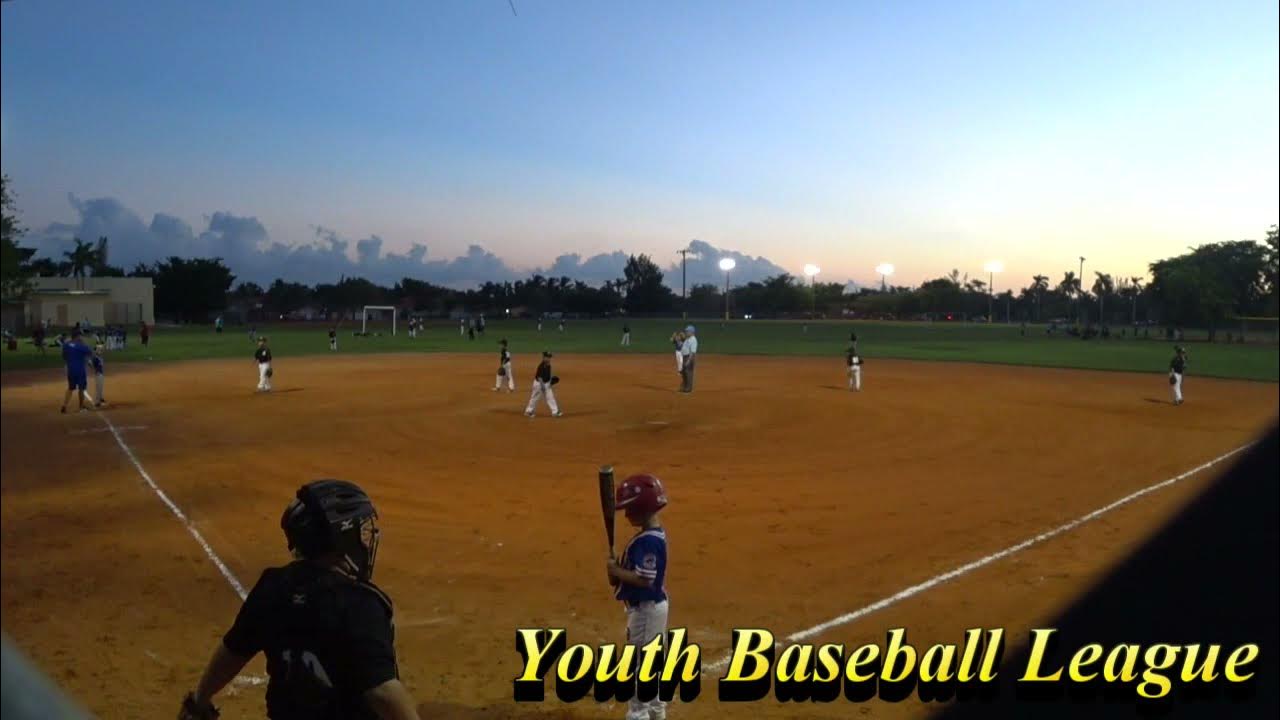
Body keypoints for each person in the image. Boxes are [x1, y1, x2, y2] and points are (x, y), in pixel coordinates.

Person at [176, 480, 421, 720]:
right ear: (340, 538)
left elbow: (234, 651)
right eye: (358, 531)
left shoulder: (273, 586)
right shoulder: (359, 603)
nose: (363, 542)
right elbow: (383, 692)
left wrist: (200, 700)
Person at [606, 473, 670, 720]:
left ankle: (640, 714)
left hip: (645, 611)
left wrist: (616, 571)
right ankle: (655, 713)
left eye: (630, 509)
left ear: (641, 508)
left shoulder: (648, 542)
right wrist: (615, 572)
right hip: (650, 608)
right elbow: (624, 578)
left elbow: (645, 579)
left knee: (637, 670)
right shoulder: (653, 536)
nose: (627, 514)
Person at [59, 330, 94, 414]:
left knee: (70, 388)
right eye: (81, 336)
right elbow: (90, 352)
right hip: (80, 370)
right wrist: (84, 344)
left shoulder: (66, 345)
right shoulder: (81, 346)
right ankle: (81, 407)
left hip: (70, 369)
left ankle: (64, 406)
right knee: (81, 388)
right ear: (78, 336)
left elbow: (64, 356)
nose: (82, 337)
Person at [524, 351, 562, 417]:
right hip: (539, 384)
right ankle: (528, 411)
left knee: (550, 397)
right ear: (544, 358)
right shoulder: (541, 366)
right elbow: (540, 378)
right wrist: (543, 386)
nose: (549, 359)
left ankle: (555, 412)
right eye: (548, 357)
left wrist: (550, 382)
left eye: (550, 357)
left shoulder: (549, 365)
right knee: (535, 398)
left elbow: (548, 375)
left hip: (546, 384)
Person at [678, 325, 698, 393]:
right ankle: (684, 386)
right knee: (684, 372)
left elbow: (693, 352)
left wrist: (689, 361)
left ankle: (688, 388)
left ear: (692, 332)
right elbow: (683, 346)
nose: (686, 332)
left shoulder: (693, 340)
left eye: (687, 331)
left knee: (688, 373)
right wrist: (678, 341)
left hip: (689, 357)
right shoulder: (688, 338)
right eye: (686, 331)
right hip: (685, 357)